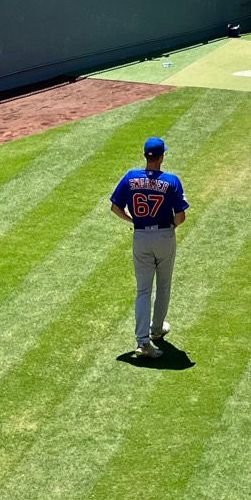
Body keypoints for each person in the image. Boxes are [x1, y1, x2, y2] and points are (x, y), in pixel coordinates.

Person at [109, 136, 188, 360]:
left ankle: (143, 342)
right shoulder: (171, 181)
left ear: (146, 156)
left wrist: (131, 220)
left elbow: (115, 207)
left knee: (143, 290)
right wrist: (172, 226)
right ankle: (156, 330)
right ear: (162, 156)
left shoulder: (131, 178)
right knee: (163, 285)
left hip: (141, 236)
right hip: (164, 236)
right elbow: (181, 215)